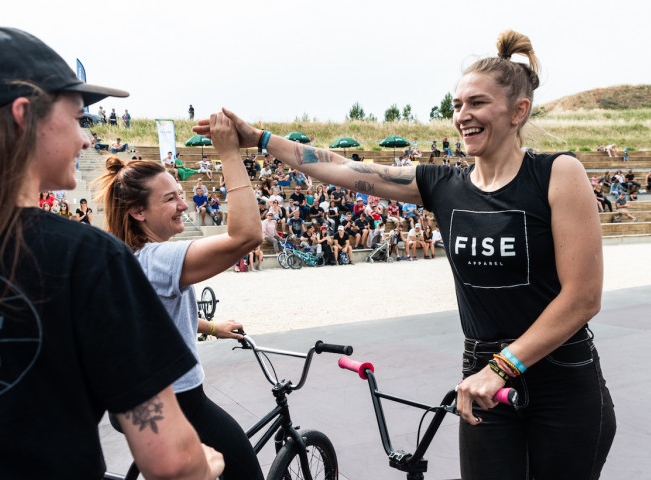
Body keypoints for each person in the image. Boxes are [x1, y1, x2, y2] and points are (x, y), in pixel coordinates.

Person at [207, 29, 615, 479]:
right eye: (457, 105)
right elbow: (341, 166)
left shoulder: (557, 174)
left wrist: (504, 366)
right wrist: (259, 138)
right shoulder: (443, 185)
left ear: (519, 110)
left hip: (561, 378)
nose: (462, 115)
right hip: (481, 378)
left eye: (477, 103)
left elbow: (582, 298)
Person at [0, 26, 222, 479]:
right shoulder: (88, 258)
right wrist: (205, 464)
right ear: (23, 117)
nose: (85, 139)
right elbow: (171, 461)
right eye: (79, 119)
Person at [94, 111, 263, 480]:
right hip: (181, 402)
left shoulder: (125, 254)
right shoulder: (158, 259)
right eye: (171, 199)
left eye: (182, 195)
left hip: (136, 401)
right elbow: (247, 235)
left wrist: (211, 326)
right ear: (138, 211)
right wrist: (230, 153)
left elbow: (155, 315)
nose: (184, 206)